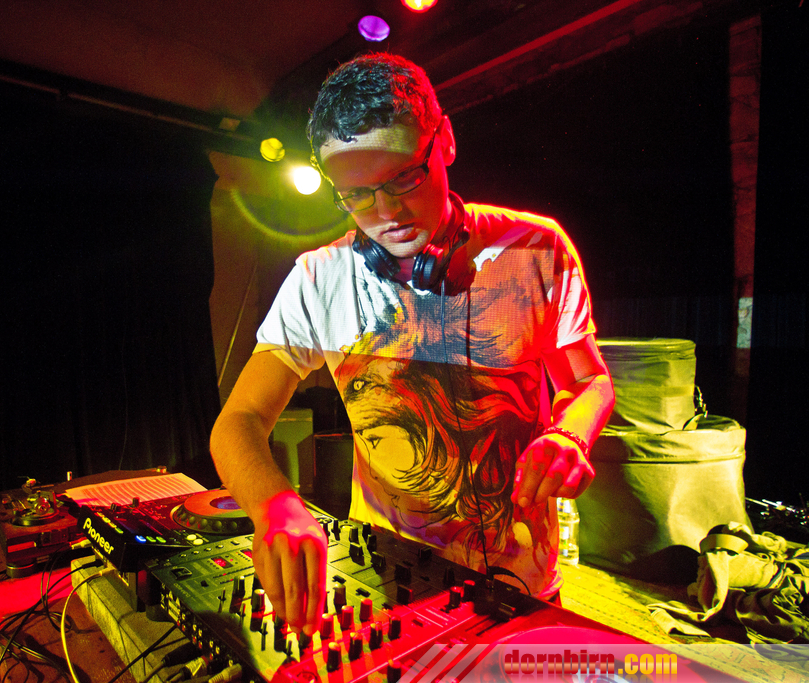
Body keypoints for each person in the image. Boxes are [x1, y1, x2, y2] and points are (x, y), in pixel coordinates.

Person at [209, 53, 614, 637]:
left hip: (525, 581)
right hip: (389, 581)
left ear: (443, 141)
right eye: (356, 195)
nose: (387, 213)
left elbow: (590, 381)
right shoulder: (319, 278)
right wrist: (274, 504)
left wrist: (570, 435)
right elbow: (239, 420)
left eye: (404, 178)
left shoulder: (538, 249)